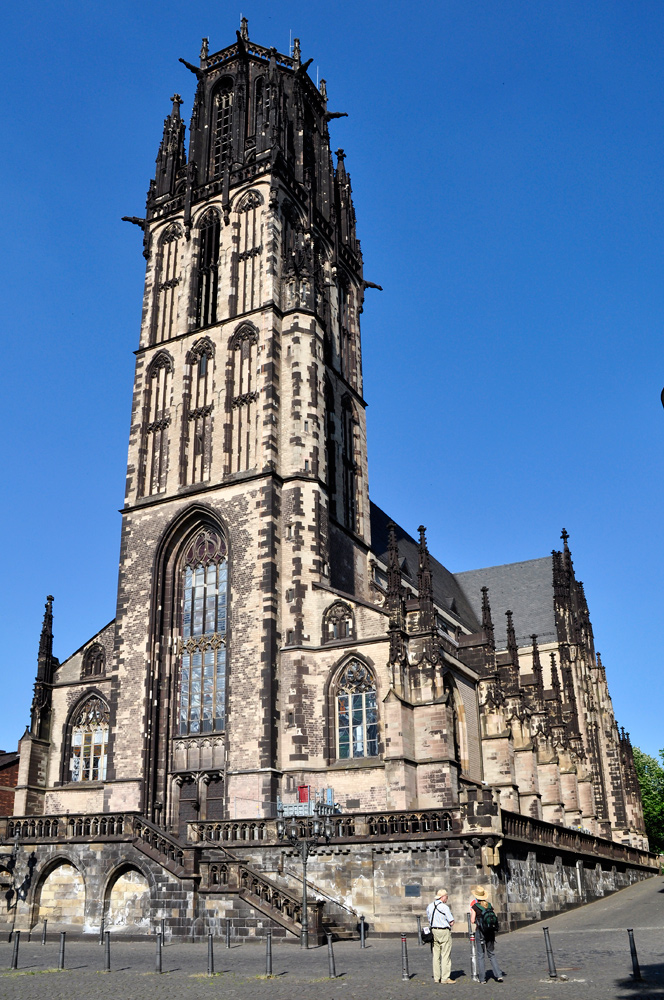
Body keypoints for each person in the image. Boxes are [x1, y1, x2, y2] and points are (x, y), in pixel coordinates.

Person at [470, 886, 503, 984]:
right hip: (490, 932)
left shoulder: (475, 907)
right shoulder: (489, 905)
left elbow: (472, 920)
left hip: (480, 932)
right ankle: (499, 975)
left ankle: (482, 979)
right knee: (491, 954)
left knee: (480, 955)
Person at [426, 888, 455, 984]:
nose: (447, 898)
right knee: (445, 955)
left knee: (436, 955)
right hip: (443, 931)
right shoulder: (444, 907)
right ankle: (445, 978)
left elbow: (429, 919)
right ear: (443, 897)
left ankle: (436, 977)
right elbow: (451, 922)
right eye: (446, 897)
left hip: (433, 931)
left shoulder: (429, 906)